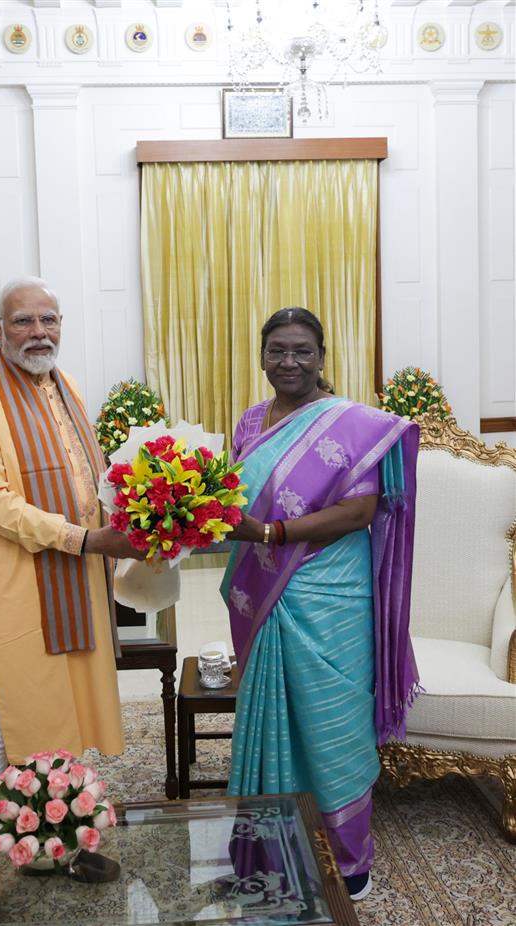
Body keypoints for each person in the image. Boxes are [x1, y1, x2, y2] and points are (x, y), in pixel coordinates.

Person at [0, 276, 143, 892]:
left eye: (49, 320)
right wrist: (83, 539)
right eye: (24, 321)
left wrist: (137, 514)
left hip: (73, 582)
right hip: (14, 583)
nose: (39, 333)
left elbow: (88, 481)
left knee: (64, 713)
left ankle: (57, 844)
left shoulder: (66, 385)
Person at [224, 307, 420, 902]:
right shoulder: (250, 422)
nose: (289, 362)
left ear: (322, 357)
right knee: (272, 714)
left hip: (330, 589)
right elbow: (233, 497)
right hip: (266, 586)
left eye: (302, 351)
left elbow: (359, 513)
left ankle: (349, 860)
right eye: (278, 350)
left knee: (332, 719)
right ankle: (270, 845)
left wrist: (273, 535)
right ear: (262, 357)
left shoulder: (354, 423)